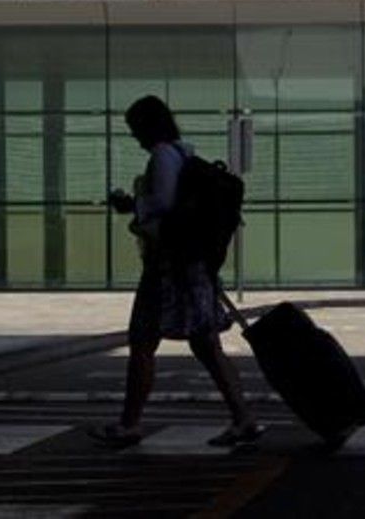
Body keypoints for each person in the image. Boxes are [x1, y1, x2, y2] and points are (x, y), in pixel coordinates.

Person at [90, 95, 263, 448]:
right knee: (204, 345)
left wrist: (133, 204)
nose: (134, 137)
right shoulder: (182, 154)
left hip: (169, 268)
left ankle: (130, 424)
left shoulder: (163, 156)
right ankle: (242, 418)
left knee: (143, 341)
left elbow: (164, 205)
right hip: (190, 266)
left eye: (135, 128)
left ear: (148, 126)